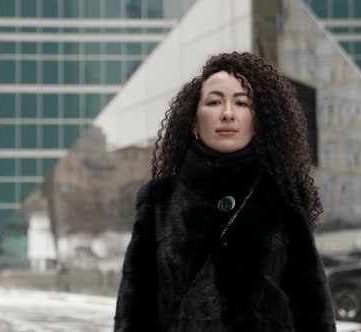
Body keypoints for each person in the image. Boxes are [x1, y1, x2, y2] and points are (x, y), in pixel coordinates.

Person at [113, 52, 336, 332]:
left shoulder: (282, 197)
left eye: (242, 102)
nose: (227, 112)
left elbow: (312, 308)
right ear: (193, 120)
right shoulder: (159, 199)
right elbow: (135, 307)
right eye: (214, 101)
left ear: (258, 120)